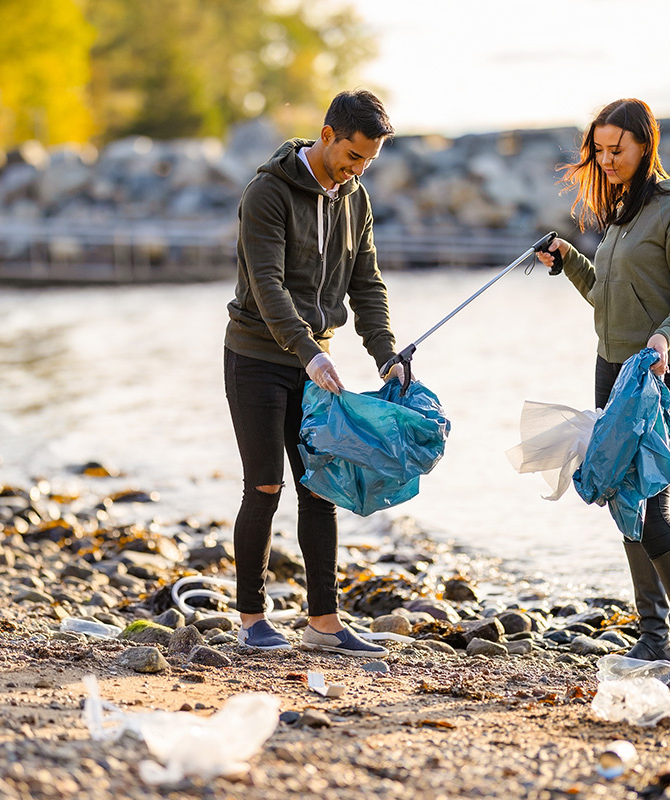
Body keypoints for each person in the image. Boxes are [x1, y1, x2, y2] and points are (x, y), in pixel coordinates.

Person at [537, 98, 670, 684]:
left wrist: (665, 339)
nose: (606, 159)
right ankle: (652, 641)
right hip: (611, 369)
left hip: (662, 373)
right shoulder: (620, 211)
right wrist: (569, 259)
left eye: (617, 149)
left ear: (647, 145)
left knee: (652, 504)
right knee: (624, 503)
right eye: (599, 149)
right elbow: (606, 296)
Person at [223, 89, 405, 655]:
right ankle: (251, 617)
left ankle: (323, 623)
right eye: (353, 158)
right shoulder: (267, 192)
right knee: (264, 486)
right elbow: (267, 287)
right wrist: (310, 351)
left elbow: (366, 283)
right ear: (327, 136)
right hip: (257, 358)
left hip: (312, 362)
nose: (357, 171)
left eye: (368, 163)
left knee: (319, 488)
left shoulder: (356, 198)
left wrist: (386, 353)